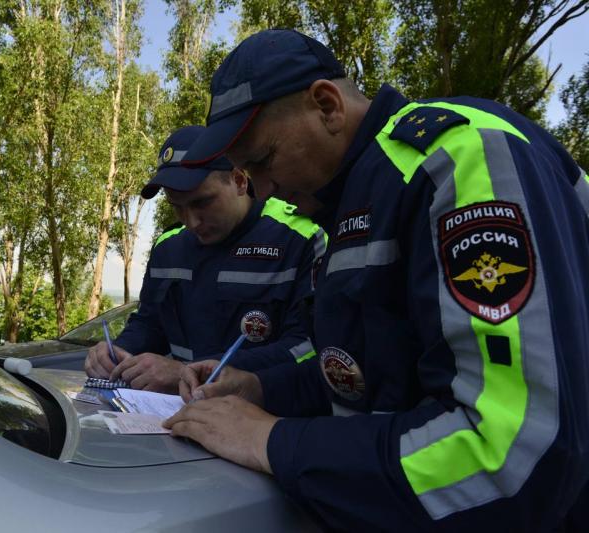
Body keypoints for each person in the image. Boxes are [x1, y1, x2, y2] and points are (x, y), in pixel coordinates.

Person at [164, 29, 589, 531]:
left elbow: (510, 454)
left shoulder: (458, 158)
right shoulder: (348, 203)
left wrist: (271, 440)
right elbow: (366, 377)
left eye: (261, 162)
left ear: (326, 106)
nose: (260, 190)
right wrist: (259, 387)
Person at [84, 125, 324, 394]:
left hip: (261, 417)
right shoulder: (168, 248)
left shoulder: (299, 237)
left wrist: (189, 373)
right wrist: (118, 350)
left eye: (202, 203)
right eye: (177, 207)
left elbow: (307, 347)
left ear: (239, 181)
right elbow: (150, 323)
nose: (191, 222)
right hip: (171, 416)